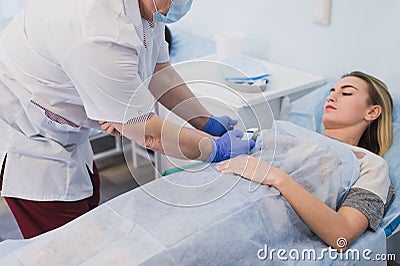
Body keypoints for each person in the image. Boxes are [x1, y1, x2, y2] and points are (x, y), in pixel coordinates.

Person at [0, 0, 254, 239]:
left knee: (89, 201)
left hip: (61, 126)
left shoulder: (149, 8)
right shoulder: (99, 30)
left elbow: (159, 72)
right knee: (70, 242)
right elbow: (148, 132)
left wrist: (205, 122)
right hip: (27, 136)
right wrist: (215, 149)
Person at [217, 71, 394, 250]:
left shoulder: (370, 163)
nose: (331, 97)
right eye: (331, 91)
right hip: (220, 196)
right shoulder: (293, 137)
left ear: (372, 112)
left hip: (251, 226)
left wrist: (275, 177)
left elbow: (342, 234)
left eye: (346, 93)